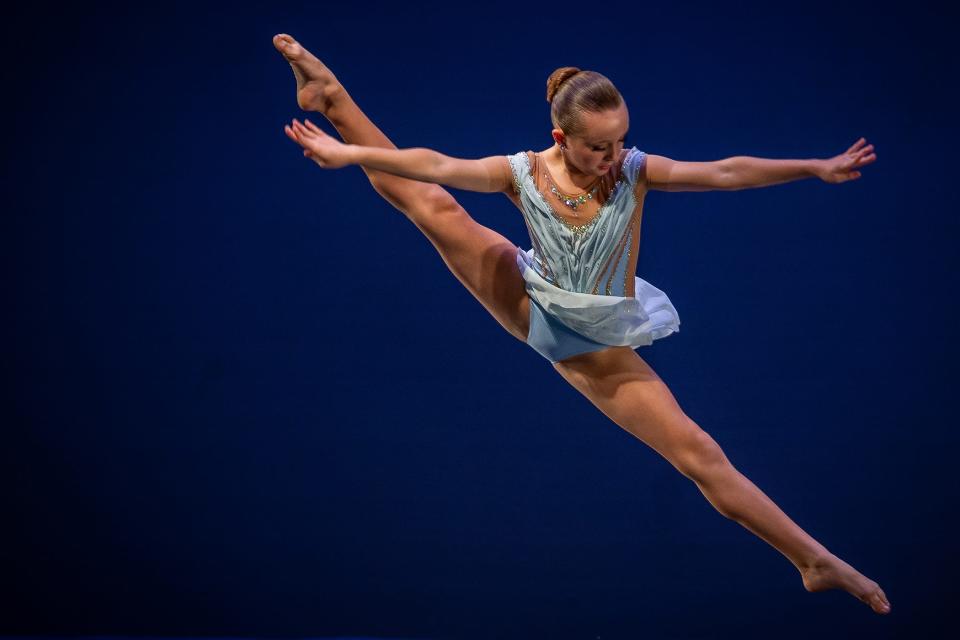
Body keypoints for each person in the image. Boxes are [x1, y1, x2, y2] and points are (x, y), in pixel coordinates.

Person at [272, 33, 889, 615]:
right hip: (527, 290)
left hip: (587, 339)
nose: (612, 156)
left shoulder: (634, 173)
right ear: (560, 136)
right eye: (598, 146)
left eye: (620, 140)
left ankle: (814, 561)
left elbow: (726, 171)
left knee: (698, 453)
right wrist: (348, 151)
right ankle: (330, 98)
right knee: (428, 201)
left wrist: (813, 166)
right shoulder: (520, 173)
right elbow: (433, 163)